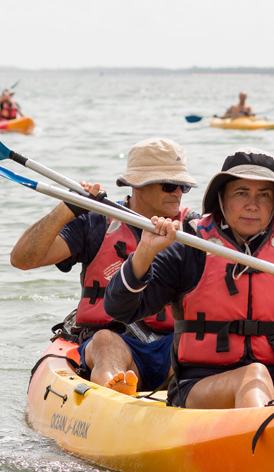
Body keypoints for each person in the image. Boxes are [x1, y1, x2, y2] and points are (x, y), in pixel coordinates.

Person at [103, 148, 274, 409]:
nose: (253, 205)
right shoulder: (191, 252)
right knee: (254, 375)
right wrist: (144, 253)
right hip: (200, 384)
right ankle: (262, 448)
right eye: (241, 193)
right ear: (221, 199)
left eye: (264, 195)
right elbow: (120, 309)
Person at [11, 138, 199, 395]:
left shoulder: (194, 231)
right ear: (137, 185)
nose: (177, 193)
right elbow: (23, 259)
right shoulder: (96, 223)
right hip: (115, 341)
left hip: (171, 344)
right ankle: (115, 389)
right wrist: (67, 208)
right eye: (169, 185)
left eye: (183, 186)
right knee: (106, 342)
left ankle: (190, 403)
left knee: (195, 342)